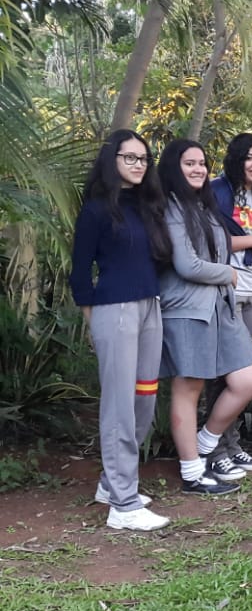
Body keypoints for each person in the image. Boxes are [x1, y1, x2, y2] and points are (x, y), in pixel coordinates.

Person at [74, 129, 174, 530]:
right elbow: (80, 272)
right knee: (118, 404)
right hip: (114, 310)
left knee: (144, 397)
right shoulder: (97, 210)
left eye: (143, 158)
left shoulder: (147, 206)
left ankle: (110, 483)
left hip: (151, 306)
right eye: (129, 157)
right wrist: (93, 320)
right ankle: (123, 504)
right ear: (111, 160)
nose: (138, 164)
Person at [154, 139, 252, 496]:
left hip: (219, 306)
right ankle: (192, 473)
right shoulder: (171, 207)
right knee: (189, 389)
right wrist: (226, 274)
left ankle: (204, 442)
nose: (198, 169)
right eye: (190, 163)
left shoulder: (203, 205)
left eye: (202, 163)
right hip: (188, 308)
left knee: (248, 380)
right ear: (174, 167)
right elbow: (186, 264)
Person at [207, 133, 252, 475]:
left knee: (240, 372)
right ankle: (214, 449)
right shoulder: (217, 191)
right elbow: (209, 239)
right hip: (226, 290)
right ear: (236, 159)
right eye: (250, 157)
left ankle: (232, 445)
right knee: (223, 373)